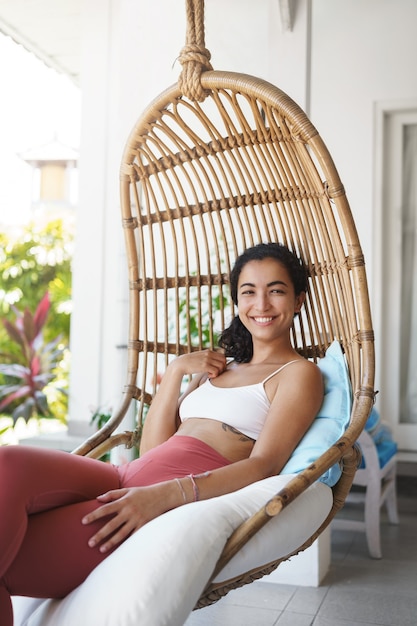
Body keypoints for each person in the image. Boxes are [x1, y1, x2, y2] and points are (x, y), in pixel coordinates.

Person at [0, 242, 324, 625]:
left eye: (276, 290)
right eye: (248, 292)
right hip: (125, 476)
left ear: (298, 299)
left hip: (162, 491)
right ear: (237, 301)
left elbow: (264, 466)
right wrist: (174, 373)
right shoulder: (218, 367)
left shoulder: (297, 374)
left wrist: (165, 496)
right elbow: (154, 447)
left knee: (13, 566)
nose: (262, 304)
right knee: (8, 461)